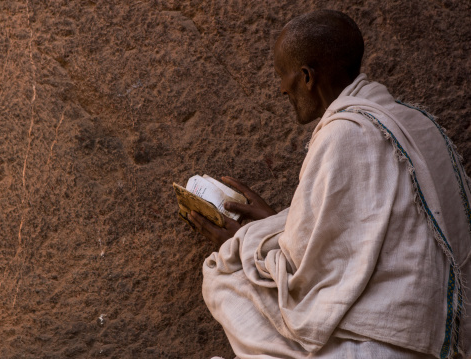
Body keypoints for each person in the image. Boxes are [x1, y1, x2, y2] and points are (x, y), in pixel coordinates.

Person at [188, 9, 470, 359]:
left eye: (281, 75)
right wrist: (277, 222)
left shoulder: (344, 134)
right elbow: (360, 236)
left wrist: (243, 240)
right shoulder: (420, 124)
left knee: (223, 275)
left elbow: (307, 272)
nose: (280, 89)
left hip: (385, 339)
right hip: (439, 332)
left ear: (306, 77)